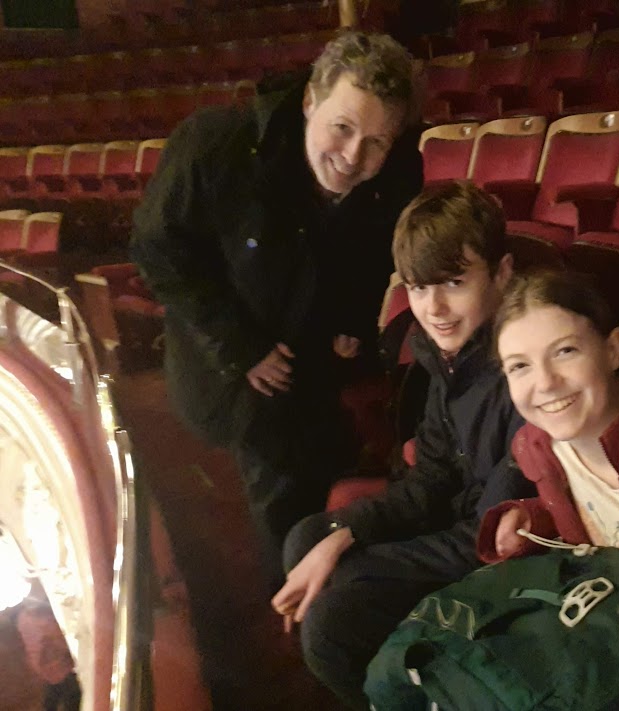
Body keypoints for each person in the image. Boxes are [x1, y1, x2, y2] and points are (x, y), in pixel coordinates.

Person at [129, 31, 424, 585]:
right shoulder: (214, 145)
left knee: (327, 465)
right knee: (279, 486)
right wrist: (242, 346)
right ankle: (288, 598)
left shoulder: (400, 169)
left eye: (376, 142)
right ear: (310, 100)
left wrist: (353, 322)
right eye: (342, 127)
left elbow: (374, 252)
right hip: (234, 358)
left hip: (316, 357)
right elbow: (158, 250)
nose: (352, 157)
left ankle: (318, 580)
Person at [271, 180, 533, 709]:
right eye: (417, 287)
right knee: (308, 538)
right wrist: (345, 534)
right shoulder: (450, 354)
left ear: (502, 273)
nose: (433, 308)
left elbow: (489, 538)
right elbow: (431, 477)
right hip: (456, 522)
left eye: (454, 282)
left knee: (332, 622)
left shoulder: (526, 366)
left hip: (499, 555)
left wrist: (354, 553)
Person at [477, 269, 619, 563]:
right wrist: (533, 520)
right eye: (520, 366)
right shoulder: (537, 447)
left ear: (613, 350)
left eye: (565, 351)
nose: (545, 383)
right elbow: (588, 510)